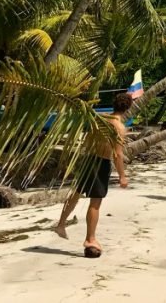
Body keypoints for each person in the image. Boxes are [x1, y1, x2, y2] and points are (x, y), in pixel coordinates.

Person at [54, 92, 131, 257]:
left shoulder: (100, 118)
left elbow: (88, 137)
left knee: (76, 193)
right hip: (101, 163)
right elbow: (117, 155)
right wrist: (122, 176)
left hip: (88, 159)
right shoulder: (119, 127)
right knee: (95, 203)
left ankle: (61, 224)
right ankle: (90, 238)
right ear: (127, 108)